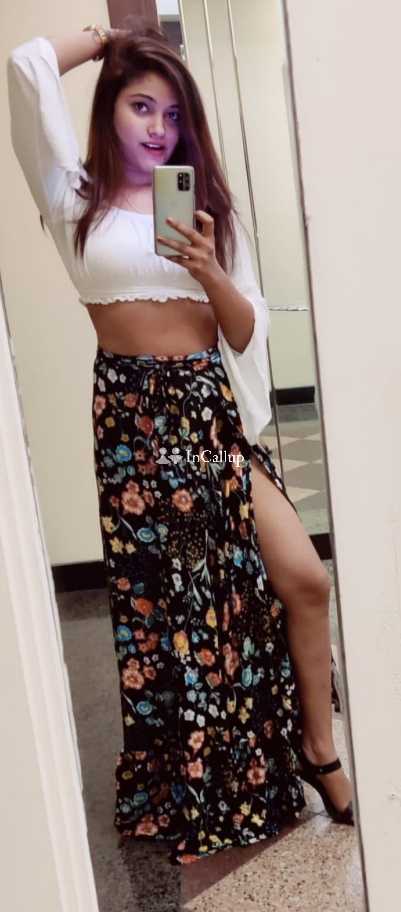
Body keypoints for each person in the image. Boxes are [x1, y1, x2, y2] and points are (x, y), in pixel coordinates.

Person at [7, 19, 354, 866]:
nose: (158, 127)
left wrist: (206, 267)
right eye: (139, 106)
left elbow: (244, 329)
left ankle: (316, 747)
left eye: (171, 112)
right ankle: (207, 779)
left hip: (205, 422)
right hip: (139, 433)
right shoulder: (73, 197)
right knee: (186, 609)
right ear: (108, 110)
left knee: (302, 578)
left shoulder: (205, 209)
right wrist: (106, 38)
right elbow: (25, 64)